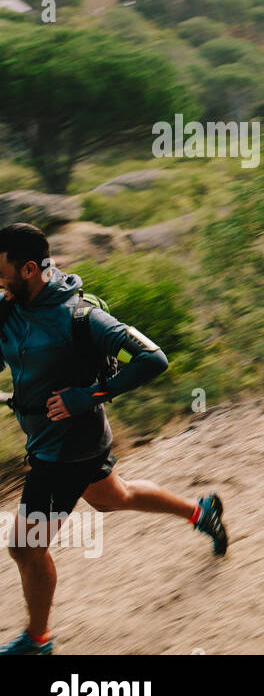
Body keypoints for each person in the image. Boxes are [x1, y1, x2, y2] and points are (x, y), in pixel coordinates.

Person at [0, 223, 226, 655]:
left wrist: (89, 396)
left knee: (25, 548)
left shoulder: (81, 316)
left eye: (1, 269)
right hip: (50, 438)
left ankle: (37, 640)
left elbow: (153, 358)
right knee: (111, 498)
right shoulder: (10, 308)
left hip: (67, 445)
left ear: (29, 268)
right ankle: (201, 512)